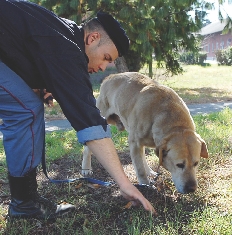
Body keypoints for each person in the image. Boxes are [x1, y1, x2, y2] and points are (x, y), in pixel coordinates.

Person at [0, 0, 155, 221]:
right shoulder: (67, 50)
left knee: (26, 104)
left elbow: (18, 47)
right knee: (26, 110)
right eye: (106, 58)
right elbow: (89, 120)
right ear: (93, 38)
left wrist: (41, 81)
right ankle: (24, 203)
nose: (102, 67)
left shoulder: (63, 32)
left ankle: (25, 200)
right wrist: (125, 183)